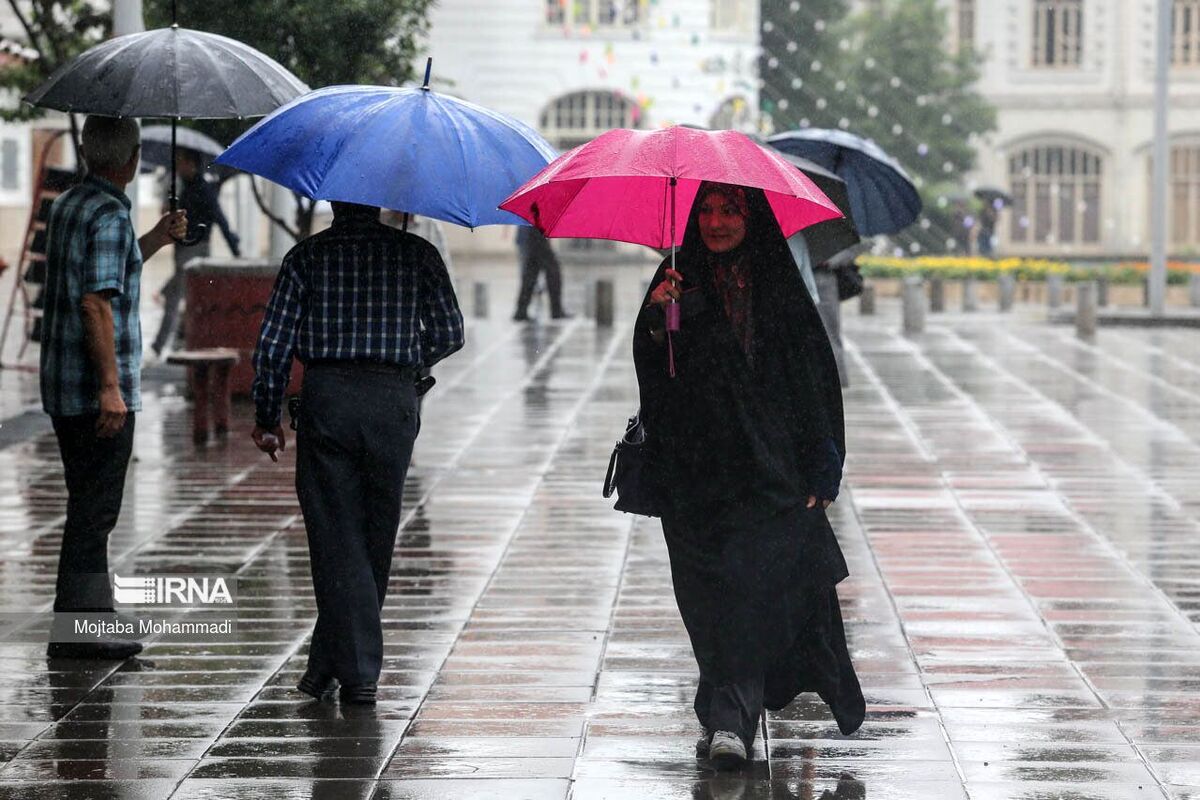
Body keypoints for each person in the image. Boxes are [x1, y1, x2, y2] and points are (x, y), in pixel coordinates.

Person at [634, 182, 864, 770]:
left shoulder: (777, 284)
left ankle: (732, 720)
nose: (715, 222)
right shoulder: (677, 278)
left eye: (729, 210)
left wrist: (823, 464)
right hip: (692, 473)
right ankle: (720, 703)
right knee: (704, 596)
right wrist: (659, 318)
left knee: (749, 591)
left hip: (767, 472)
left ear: (750, 217)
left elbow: (813, 378)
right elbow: (656, 371)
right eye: (706, 210)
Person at [250, 201, 464, 705]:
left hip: (329, 401)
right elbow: (450, 334)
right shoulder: (418, 253)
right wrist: (407, 361)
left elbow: (274, 344)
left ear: (331, 200)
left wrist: (266, 415)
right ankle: (326, 667)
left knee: (335, 536)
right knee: (373, 537)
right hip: (393, 402)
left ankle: (359, 673)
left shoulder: (306, 257)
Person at [40, 115, 187, 658]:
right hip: (91, 389)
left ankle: (86, 617)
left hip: (61, 383)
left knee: (87, 504)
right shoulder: (107, 214)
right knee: (95, 510)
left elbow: (109, 273)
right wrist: (110, 387)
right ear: (131, 158)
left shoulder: (71, 205)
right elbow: (95, 302)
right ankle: (77, 632)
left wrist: (155, 238)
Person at [150, 149, 240, 358]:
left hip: (195, 250)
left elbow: (220, 219)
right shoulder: (185, 187)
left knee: (174, 298)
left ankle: (159, 345)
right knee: (182, 296)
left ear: (191, 164)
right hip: (182, 249)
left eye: (181, 163)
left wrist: (235, 249)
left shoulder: (203, 189)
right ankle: (178, 341)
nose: (178, 167)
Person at [513, 226, 570, 321]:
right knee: (553, 271)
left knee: (530, 274)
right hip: (537, 234)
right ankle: (556, 310)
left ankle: (521, 311)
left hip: (534, 235)